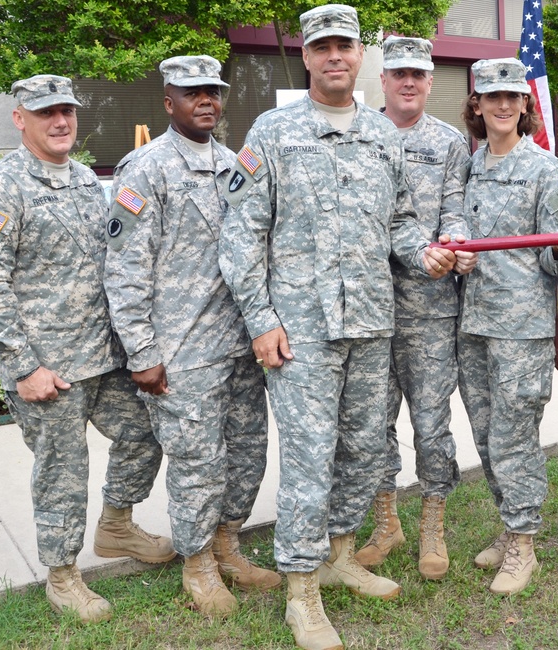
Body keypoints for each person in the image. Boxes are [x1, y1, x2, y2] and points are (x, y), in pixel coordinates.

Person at [218, 5, 456, 648]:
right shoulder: (272, 131)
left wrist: (422, 252)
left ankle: (341, 552)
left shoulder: (383, 138)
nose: (334, 57)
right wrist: (261, 320)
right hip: (301, 331)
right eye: (321, 47)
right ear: (307, 54)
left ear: (360, 56)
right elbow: (241, 235)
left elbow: (402, 220)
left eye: (345, 47)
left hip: (372, 322)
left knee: (362, 448)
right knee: (307, 456)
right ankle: (301, 589)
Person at [0, 75, 174, 622]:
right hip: (47, 369)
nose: (60, 122)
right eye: (46, 112)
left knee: (145, 435)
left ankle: (117, 525)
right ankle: (62, 575)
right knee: (63, 472)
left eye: (67, 111)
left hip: (104, 358)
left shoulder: (84, 179)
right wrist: (22, 364)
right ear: (20, 118)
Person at [102, 55, 280, 618]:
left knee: (247, 452)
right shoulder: (145, 168)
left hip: (240, 344)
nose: (206, 100)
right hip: (181, 352)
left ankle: (228, 545)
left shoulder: (233, 164)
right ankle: (198, 563)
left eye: (213, 91)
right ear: (168, 102)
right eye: (192, 92)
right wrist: (142, 351)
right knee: (196, 463)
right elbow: (124, 267)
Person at [458, 57, 558, 595]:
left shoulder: (544, 170)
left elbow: (554, 258)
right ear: (477, 105)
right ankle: (507, 524)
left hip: (521, 327)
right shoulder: (470, 167)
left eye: (513, 98)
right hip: (473, 322)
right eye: (493, 97)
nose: (503, 106)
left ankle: (524, 541)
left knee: (515, 435)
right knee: (487, 436)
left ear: (525, 105)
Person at [354, 36, 475, 581]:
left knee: (430, 423)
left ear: (430, 82)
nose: (408, 82)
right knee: (374, 422)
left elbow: (457, 207)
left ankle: (432, 524)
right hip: (369, 307)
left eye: (418, 75)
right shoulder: (358, 134)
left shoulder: (450, 143)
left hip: (430, 306)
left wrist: (454, 243)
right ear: (383, 80)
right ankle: (386, 522)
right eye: (398, 73)